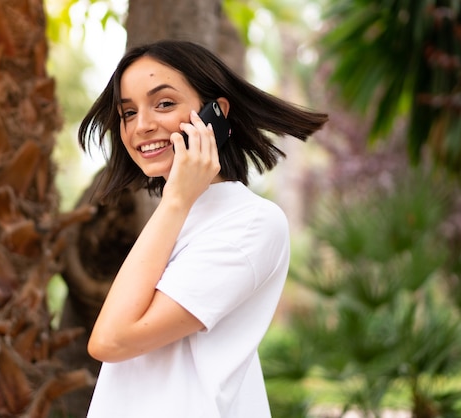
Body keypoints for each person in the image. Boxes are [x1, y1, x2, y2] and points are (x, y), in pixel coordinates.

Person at [77, 39, 328, 418]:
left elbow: (111, 340)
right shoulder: (176, 219)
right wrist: (176, 203)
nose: (141, 126)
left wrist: (176, 200)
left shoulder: (251, 224)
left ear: (215, 113)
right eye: (128, 113)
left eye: (163, 103)